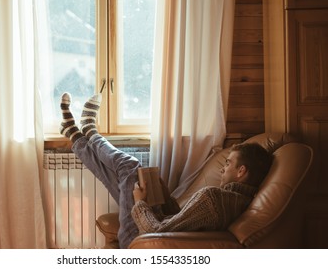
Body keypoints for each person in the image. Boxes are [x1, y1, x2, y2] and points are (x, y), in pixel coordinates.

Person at [59, 92, 273, 249]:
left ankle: (89, 130)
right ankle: (75, 134)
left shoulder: (214, 198)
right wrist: (164, 195)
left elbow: (157, 232)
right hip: (151, 232)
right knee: (122, 178)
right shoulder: (238, 202)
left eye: (229, 163)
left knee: (129, 165)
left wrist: (141, 203)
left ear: (241, 171)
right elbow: (184, 221)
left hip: (141, 239)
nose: (223, 168)